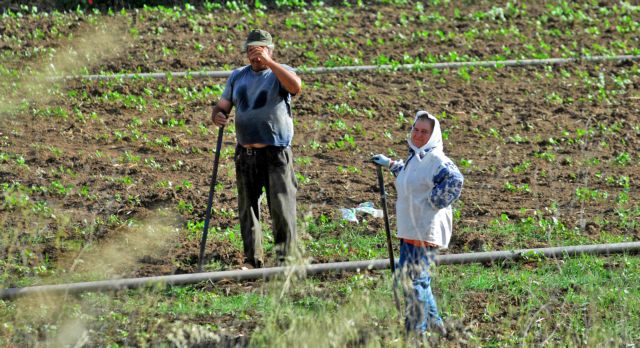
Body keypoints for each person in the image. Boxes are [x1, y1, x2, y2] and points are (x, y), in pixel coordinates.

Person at [211, 29, 301, 268]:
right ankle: (253, 260)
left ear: (270, 50)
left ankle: (286, 261)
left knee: (282, 209)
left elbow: (295, 87)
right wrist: (218, 116)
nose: (255, 57)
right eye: (251, 51)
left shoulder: (280, 72)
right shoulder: (237, 76)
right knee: (247, 210)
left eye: (260, 51)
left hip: (276, 154)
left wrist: (270, 63)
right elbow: (222, 107)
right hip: (246, 154)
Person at [372, 110, 463, 336]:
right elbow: (411, 177)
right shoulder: (418, 157)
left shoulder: (436, 159)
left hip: (423, 230)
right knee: (420, 281)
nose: (419, 135)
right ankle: (437, 326)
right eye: (416, 129)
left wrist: (432, 201)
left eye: (425, 132)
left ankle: (416, 334)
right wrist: (391, 164)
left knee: (413, 283)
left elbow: (455, 180)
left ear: (433, 136)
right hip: (411, 229)